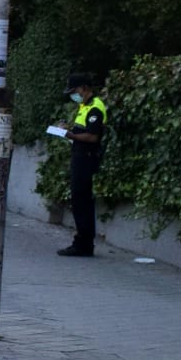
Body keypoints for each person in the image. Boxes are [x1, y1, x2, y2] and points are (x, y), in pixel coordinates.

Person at [57, 73, 108, 257]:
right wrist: (68, 130)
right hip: (80, 157)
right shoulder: (84, 106)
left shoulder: (95, 107)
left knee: (82, 202)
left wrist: (70, 135)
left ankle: (84, 245)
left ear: (84, 88)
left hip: (86, 159)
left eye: (75, 91)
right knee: (79, 201)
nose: (73, 95)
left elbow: (93, 136)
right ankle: (82, 243)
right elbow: (82, 130)